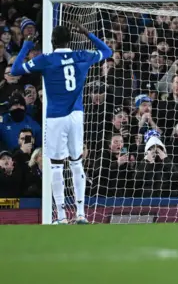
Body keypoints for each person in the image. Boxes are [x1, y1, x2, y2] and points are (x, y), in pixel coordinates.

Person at [10, 23, 112, 224]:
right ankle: (81, 214)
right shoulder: (82, 55)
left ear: (52, 41)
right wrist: (88, 34)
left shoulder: (46, 60)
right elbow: (107, 51)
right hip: (76, 115)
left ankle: (62, 216)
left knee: (56, 166)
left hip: (56, 116)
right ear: (70, 40)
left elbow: (15, 69)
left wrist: (26, 45)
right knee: (76, 162)